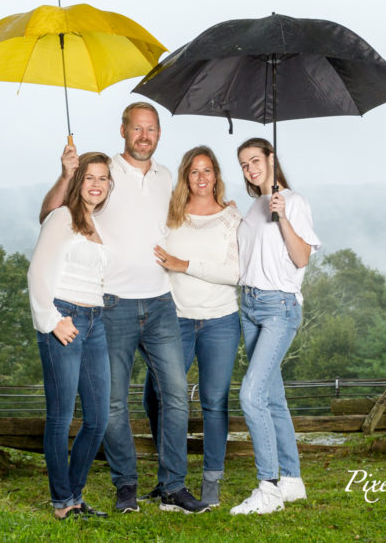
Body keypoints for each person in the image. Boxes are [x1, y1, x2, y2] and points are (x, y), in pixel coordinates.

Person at [40, 102, 209, 515]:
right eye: (137, 128)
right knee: (113, 403)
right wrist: (66, 175)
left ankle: (172, 486)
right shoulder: (104, 172)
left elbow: (186, 221)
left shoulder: (167, 176)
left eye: (151, 129)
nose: (144, 135)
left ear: (158, 134)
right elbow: (49, 214)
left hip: (160, 301)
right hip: (110, 304)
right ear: (123, 131)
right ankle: (126, 486)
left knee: (175, 396)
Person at [143, 146, 242, 508]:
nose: (202, 178)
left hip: (220, 321)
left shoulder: (232, 218)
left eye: (208, 170)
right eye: (194, 172)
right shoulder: (170, 216)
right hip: (175, 318)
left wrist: (183, 263)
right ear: (186, 177)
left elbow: (234, 273)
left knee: (214, 402)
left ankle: (211, 482)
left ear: (216, 175)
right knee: (155, 395)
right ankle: (169, 478)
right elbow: (153, 256)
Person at [229, 137, 320, 516]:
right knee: (273, 398)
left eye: (255, 160)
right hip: (248, 305)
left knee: (250, 396)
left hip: (279, 307)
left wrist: (282, 215)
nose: (250, 169)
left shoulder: (293, 202)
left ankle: (267, 486)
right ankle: (293, 481)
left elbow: (301, 258)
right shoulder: (253, 207)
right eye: (244, 165)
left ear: (271, 158)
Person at [27, 151, 113, 521]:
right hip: (65, 318)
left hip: (95, 322)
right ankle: (62, 502)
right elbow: (37, 272)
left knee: (98, 418)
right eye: (90, 177)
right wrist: (52, 319)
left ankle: (75, 496)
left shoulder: (95, 223)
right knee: (61, 417)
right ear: (79, 181)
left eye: (104, 178)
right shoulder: (62, 217)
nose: (97, 185)